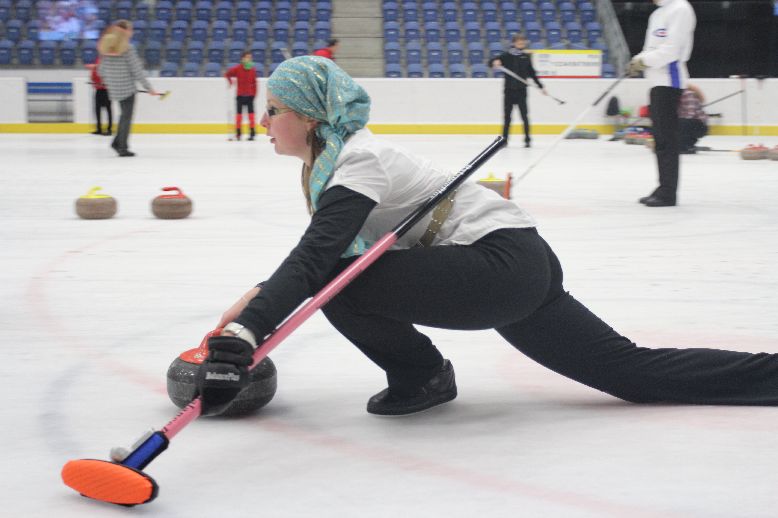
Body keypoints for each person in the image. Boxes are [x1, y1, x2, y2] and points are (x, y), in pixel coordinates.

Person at [194, 56, 778, 418]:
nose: (264, 121)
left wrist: (248, 330)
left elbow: (320, 259)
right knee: (630, 373)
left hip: (499, 265)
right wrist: (248, 312)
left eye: (274, 109)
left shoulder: (358, 161)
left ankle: (421, 375)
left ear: (309, 116)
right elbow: (321, 252)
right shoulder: (336, 165)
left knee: (339, 283)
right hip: (515, 261)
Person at [629, 0, 696, 207]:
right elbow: (650, 48)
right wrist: (637, 60)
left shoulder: (680, 8)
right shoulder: (657, 14)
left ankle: (668, 193)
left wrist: (644, 62)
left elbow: (672, 50)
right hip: (656, 82)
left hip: (669, 80)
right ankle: (663, 187)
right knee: (660, 139)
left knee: (667, 139)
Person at [97, 20, 158, 157]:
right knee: (126, 117)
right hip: (128, 89)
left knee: (123, 116)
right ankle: (122, 147)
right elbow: (137, 71)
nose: (132, 32)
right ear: (125, 32)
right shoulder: (127, 48)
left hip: (114, 89)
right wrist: (149, 88)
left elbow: (101, 71)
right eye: (131, 29)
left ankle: (117, 142)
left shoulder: (106, 47)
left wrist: (111, 81)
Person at [488, 33, 546, 148]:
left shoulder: (526, 57)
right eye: (519, 43)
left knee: (524, 116)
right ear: (514, 43)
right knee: (507, 118)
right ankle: (504, 140)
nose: (521, 45)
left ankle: (527, 140)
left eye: (522, 43)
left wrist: (540, 86)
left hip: (521, 92)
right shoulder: (506, 56)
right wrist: (494, 62)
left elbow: (532, 73)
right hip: (509, 91)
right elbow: (490, 63)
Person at [225, 51, 259, 141]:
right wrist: (230, 82)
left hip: (250, 96)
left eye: (250, 57)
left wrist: (254, 94)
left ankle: (252, 133)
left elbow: (255, 83)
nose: (249, 59)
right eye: (247, 57)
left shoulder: (252, 69)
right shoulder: (237, 68)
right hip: (240, 96)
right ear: (243, 59)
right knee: (238, 116)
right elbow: (227, 74)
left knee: (251, 116)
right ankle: (238, 134)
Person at [86, 56, 112, 136]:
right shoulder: (98, 59)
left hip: (106, 89)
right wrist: (94, 78)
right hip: (98, 89)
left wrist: (95, 67)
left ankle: (109, 129)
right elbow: (94, 74)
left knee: (108, 109)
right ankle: (99, 128)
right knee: (97, 109)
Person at [678, 84, 708, 153]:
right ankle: (685, 144)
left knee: (681, 123)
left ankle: (686, 145)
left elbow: (690, 114)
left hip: (699, 126)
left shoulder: (688, 94)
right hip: (692, 124)